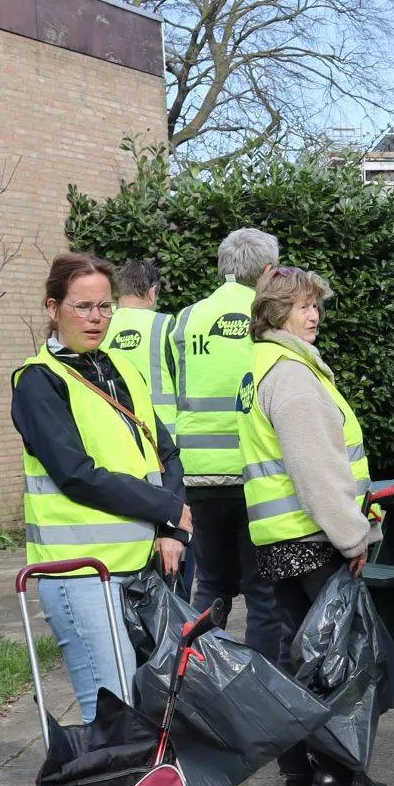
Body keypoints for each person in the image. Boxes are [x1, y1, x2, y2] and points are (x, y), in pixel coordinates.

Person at [12, 253, 191, 723]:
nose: (96, 318)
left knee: (144, 705)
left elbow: (165, 453)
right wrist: (167, 509)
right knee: (110, 707)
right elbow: (76, 473)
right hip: (81, 574)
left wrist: (171, 527)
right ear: (53, 308)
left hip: (137, 567)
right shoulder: (38, 381)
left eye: (105, 306)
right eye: (82, 306)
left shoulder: (122, 369)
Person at [238, 264, 388, 786]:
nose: (314, 314)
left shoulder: (261, 366)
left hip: (278, 540)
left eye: (316, 304)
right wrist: (354, 538)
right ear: (276, 311)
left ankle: (299, 763)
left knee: (300, 652)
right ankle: (340, 767)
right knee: (337, 658)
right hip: (312, 537)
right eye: (303, 305)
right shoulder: (293, 377)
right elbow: (317, 473)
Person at [172, 229, 278, 638]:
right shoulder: (269, 316)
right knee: (263, 591)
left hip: (198, 475)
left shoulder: (185, 319)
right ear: (268, 270)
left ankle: (197, 676)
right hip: (254, 474)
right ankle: (260, 689)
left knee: (211, 586)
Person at [103, 258, 180, 435]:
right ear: (153, 292)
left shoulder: (102, 323)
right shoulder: (166, 325)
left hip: (114, 431)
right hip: (161, 437)